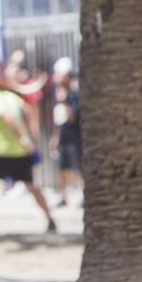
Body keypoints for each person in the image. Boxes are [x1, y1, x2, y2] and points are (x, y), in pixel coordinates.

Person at [0, 70, 57, 233]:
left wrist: (22, 138)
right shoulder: (12, 97)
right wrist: (31, 137)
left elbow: (7, 117)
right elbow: (28, 112)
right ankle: (50, 219)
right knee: (32, 187)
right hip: (21, 152)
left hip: (3, 151)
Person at [51, 57, 82, 207]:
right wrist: (55, 137)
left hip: (75, 136)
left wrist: (64, 101)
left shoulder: (74, 95)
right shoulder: (58, 94)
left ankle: (82, 193)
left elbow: (72, 117)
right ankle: (62, 195)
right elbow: (59, 119)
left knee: (78, 166)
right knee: (62, 167)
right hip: (63, 136)